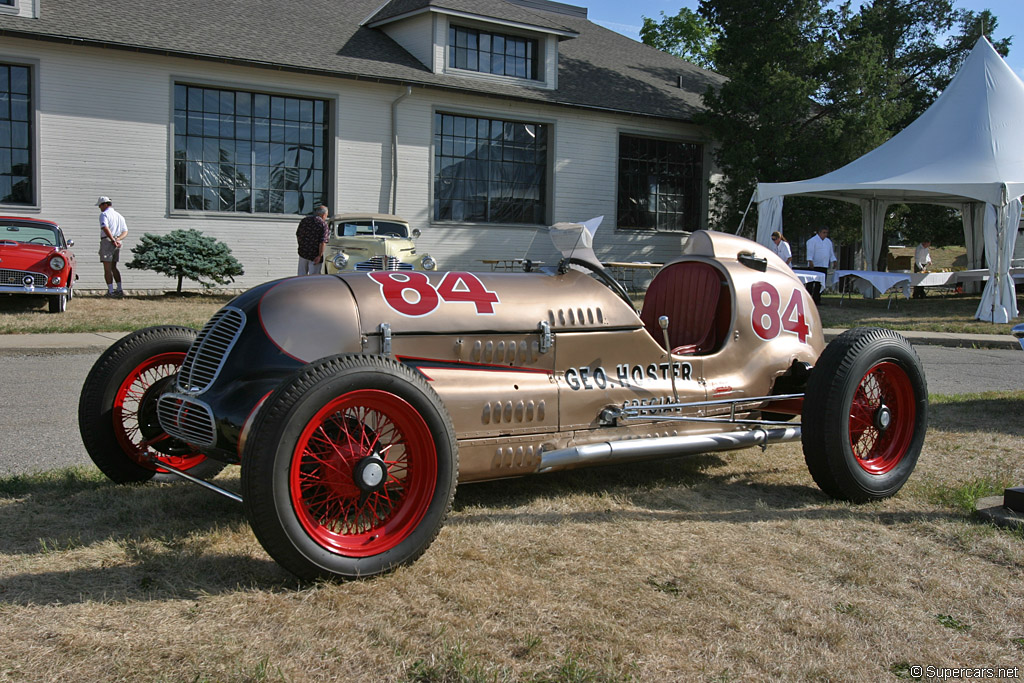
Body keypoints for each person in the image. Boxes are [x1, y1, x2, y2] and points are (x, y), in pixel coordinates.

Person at [96, 196, 127, 297]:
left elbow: (105, 227)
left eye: (100, 205)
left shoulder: (104, 214)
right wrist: (119, 239)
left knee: (107, 268)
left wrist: (113, 239)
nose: (99, 207)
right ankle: (119, 288)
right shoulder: (119, 216)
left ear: (105, 204)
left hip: (107, 241)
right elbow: (125, 231)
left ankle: (110, 291)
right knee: (114, 267)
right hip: (117, 243)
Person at [805, 227, 837, 304]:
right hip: (814, 265)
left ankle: (817, 299)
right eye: (824, 232)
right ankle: (808, 300)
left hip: (824, 265)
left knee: (820, 283)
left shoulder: (828, 242)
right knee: (811, 283)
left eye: (826, 233)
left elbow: (830, 252)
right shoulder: (812, 241)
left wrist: (834, 260)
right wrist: (810, 261)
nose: (825, 234)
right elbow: (810, 252)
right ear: (819, 232)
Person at [296, 205, 329, 275]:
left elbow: (298, 234)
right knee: (314, 277)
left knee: (301, 275)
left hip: (303, 253)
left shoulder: (304, 221)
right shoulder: (323, 224)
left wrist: (301, 246)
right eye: (326, 215)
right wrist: (320, 255)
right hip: (315, 255)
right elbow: (323, 242)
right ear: (323, 215)